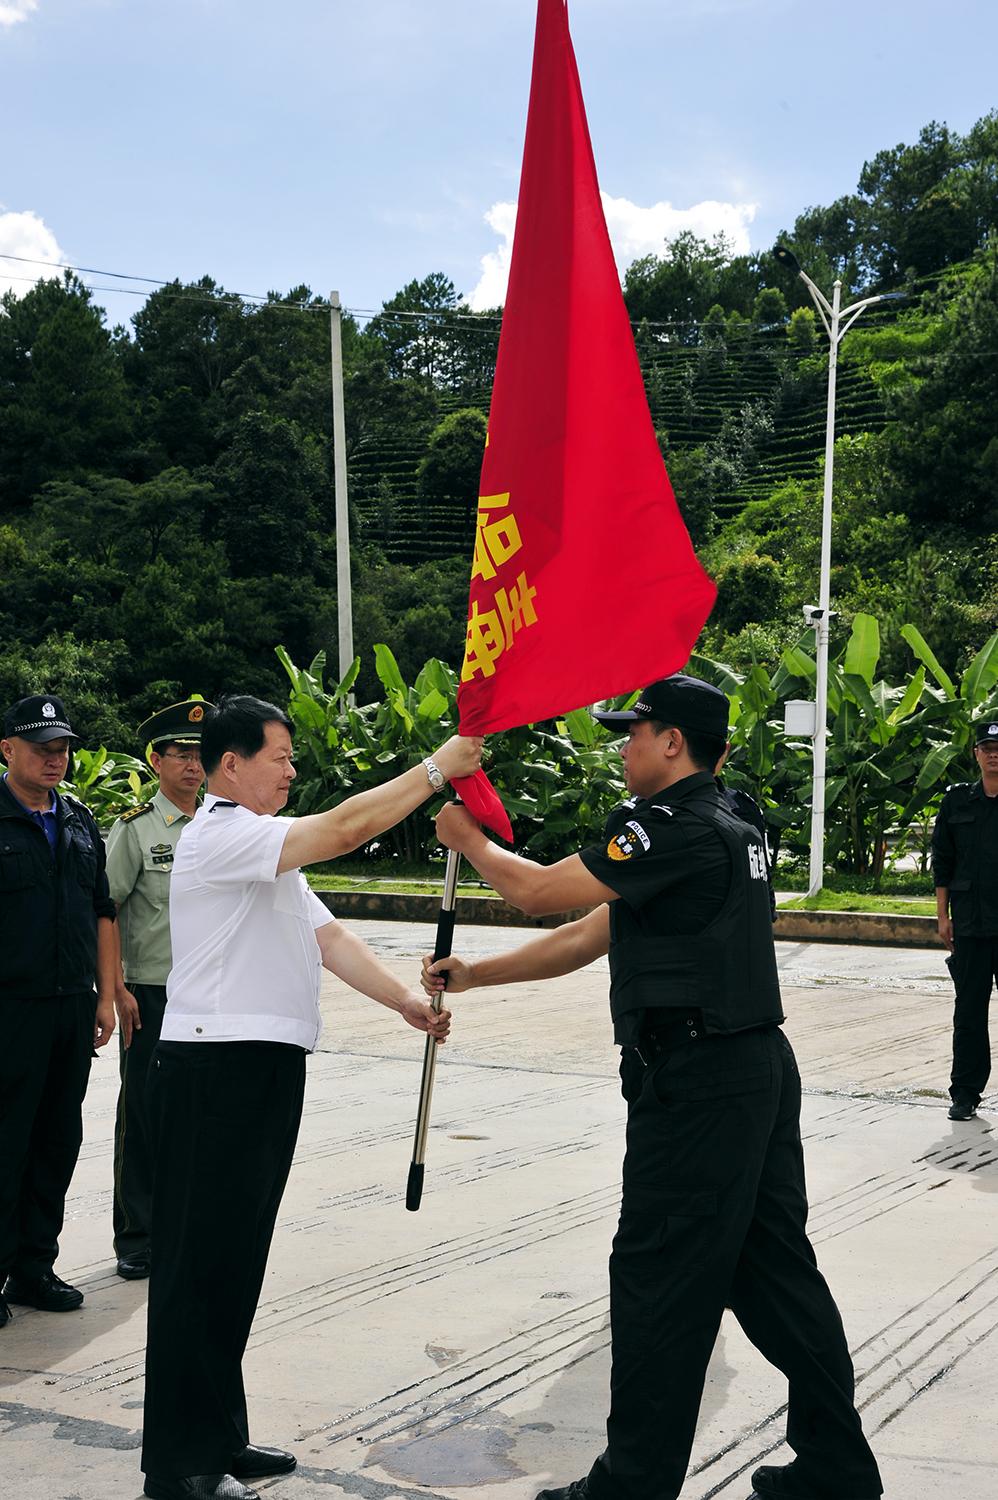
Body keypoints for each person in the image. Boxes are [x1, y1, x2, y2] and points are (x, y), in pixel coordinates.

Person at [423, 675, 882, 1500]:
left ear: (673, 743)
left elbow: (538, 893)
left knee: (658, 1281)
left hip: (699, 1083)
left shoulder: (664, 824)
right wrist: (478, 976)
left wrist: (469, 842)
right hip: (752, 1070)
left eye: (634, 732)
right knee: (773, 1274)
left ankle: (630, 1487)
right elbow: (591, 933)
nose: (623, 746)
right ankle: (837, 1468)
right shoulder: (732, 819)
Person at [140, 694, 482, 1500]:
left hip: (260, 1068)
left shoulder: (266, 855)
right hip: (211, 1069)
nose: (293, 770)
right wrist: (437, 768)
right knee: (198, 1269)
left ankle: (218, 1436)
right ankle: (178, 1463)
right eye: (280, 757)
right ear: (232, 767)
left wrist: (403, 1000)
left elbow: (326, 937)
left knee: (235, 1263)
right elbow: (342, 830)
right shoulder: (222, 836)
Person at [0, 694, 117, 1331]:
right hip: (9, 1007)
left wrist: (105, 994)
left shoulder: (77, 819)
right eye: (41, 747)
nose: (55, 758)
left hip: (71, 1006)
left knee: (55, 1138)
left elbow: (102, 909)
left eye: (62, 748)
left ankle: (34, 1267)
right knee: (4, 1140)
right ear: (7, 750)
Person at [106, 699, 212, 1280]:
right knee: (145, 1115)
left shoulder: (220, 823)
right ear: (156, 760)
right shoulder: (135, 829)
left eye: (200, 754)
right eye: (182, 754)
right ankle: (138, 1236)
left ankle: (183, 1229)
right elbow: (107, 908)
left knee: (197, 1117)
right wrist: (114, 985)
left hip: (209, 998)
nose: (194, 766)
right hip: (149, 993)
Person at [931, 716, 998, 1121]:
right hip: (971, 926)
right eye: (987, 750)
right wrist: (942, 916)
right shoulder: (956, 802)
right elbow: (943, 861)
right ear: (976, 754)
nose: (994, 756)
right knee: (969, 1013)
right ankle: (965, 1093)